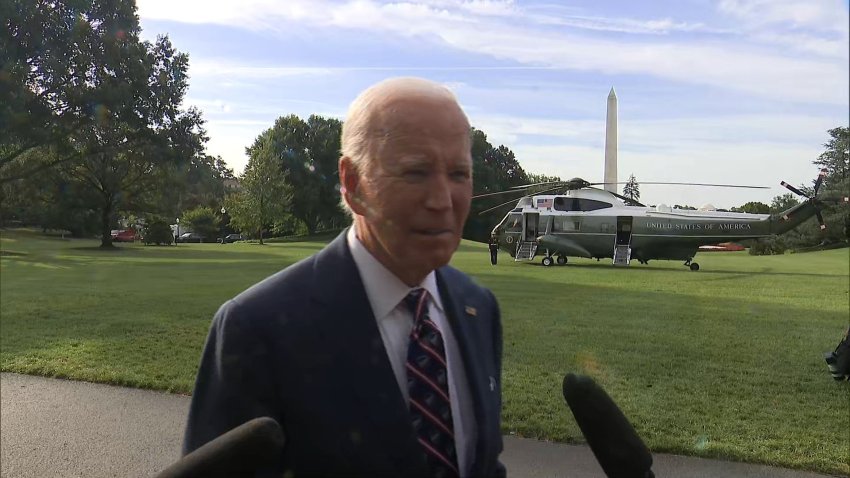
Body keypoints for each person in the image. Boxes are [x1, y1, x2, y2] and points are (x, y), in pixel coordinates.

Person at [182, 77, 505, 478]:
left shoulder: (479, 308)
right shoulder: (257, 329)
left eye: (459, 174)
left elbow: (483, 464)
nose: (443, 200)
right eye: (416, 172)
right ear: (353, 185)